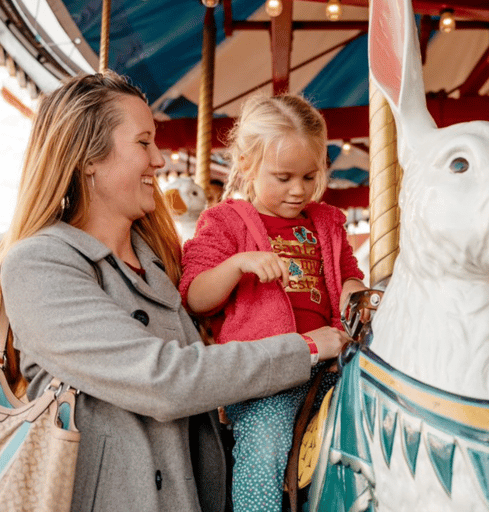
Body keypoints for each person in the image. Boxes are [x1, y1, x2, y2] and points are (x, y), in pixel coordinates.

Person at [0, 71, 350, 512]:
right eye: (144, 143)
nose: (160, 160)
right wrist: (302, 349)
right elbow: (163, 380)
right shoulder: (40, 264)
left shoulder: (163, 263)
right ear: (89, 158)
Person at [179, 93, 367, 512]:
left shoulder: (326, 222)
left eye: (309, 176)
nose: (298, 190)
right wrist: (237, 265)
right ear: (246, 165)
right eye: (283, 178)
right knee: (264, 452)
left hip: (334, 364)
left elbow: (348, 275)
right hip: (267, 377)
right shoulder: (226, 222)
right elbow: (195, 296)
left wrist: (358, 295)